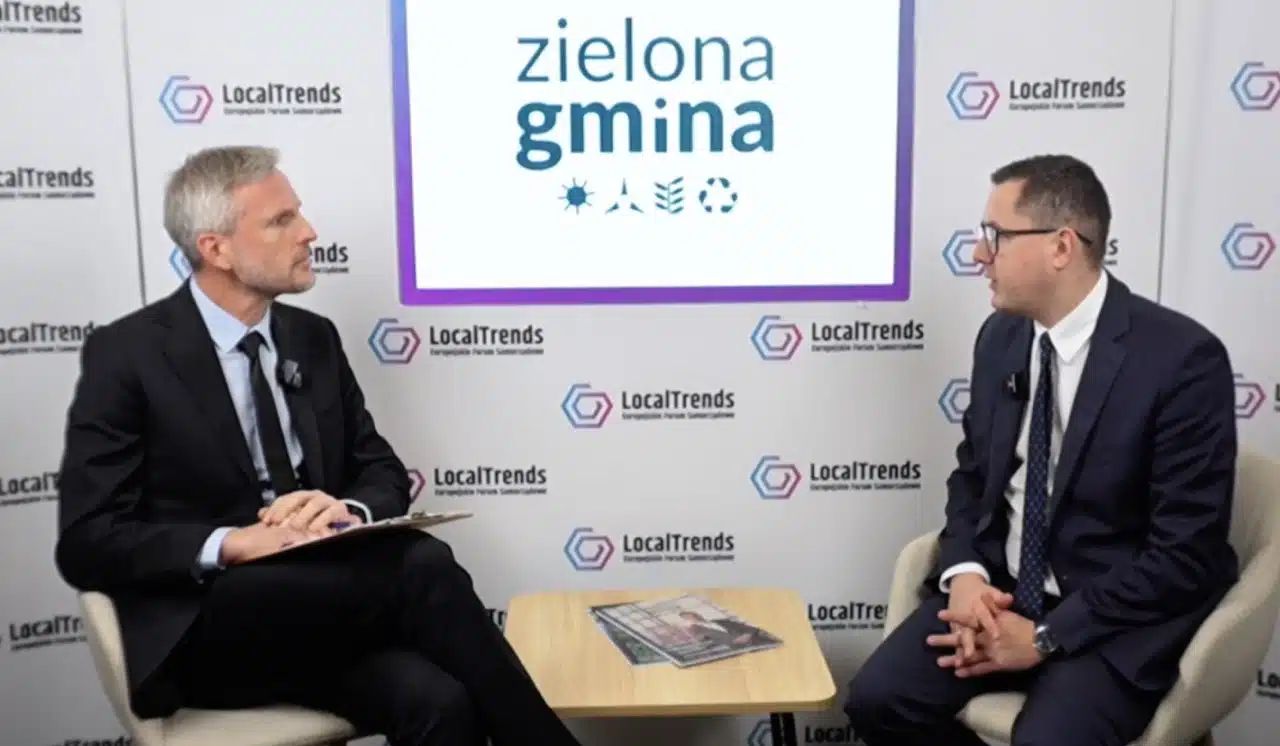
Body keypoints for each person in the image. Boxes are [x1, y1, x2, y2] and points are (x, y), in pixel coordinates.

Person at [55, 145, 582, 746]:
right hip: (208, 628)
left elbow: (381, 470)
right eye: (281, 220)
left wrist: (345, 509)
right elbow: (88, 541)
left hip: (323, 613)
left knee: (438, 702)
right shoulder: (128, 355)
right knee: (420, 564)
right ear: (216, 249)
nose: (309, 232)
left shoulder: (313, 338)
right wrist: (232, 543)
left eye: (298, 213)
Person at [843, 154, 1239, 746]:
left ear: (1061, 246)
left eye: (996, 236)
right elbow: (972, 479)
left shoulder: (1181, 360)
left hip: (1114, 619)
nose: (979, 254)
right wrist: (966, 576)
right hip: (1003, 594)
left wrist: (1047, 637)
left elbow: (1185, 555)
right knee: (878, 701)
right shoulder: (1001, 338)